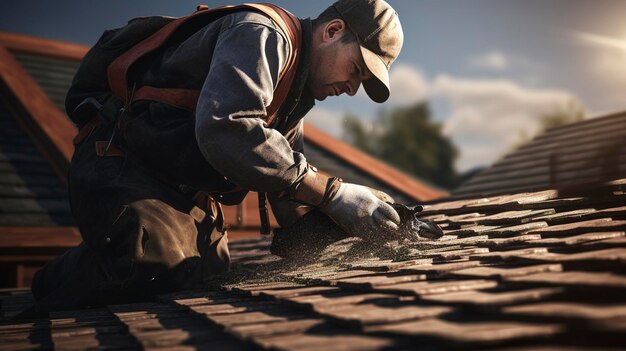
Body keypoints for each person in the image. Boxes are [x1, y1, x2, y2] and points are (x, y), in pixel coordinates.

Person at [31, 0, 404, 311]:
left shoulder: (296, 88)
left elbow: (284, 176)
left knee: (207, 279)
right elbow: (226, 128)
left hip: (179, 189)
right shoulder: (262, 34)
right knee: (154, 267)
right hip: (121, 162)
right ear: (333, 31)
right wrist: (334, 193)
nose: (353, 88)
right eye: (356, 70)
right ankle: (51, 280)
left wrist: (330, 227)